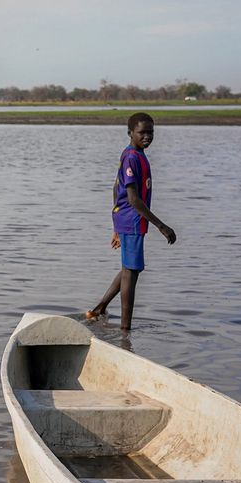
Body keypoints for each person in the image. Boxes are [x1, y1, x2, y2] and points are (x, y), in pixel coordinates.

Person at [85, 113, 176, 331]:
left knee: (130, 269)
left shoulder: (137, 155)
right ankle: (125, 329)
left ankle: (100, 308)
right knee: (131, 272)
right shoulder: (131, 157)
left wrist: (116, 224)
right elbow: (133, 199)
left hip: (129, 219)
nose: (147, 137)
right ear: (130, 133)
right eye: (142, 132)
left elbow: (115, 189)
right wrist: (162, 226)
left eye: (150, 132)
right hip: (132, 219)